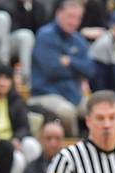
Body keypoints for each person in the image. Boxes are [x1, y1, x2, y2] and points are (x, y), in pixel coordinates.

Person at [29, 0, 95, 136]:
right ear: (58, 13)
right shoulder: (45, 35)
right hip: (46, 93)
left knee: (97, 109)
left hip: (73, 95)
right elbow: (52, 70)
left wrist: (69, 61)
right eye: (70, 16)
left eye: (78, 18)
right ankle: (75, 147)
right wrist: (77, 69)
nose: (74, 22)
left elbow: (90, 70)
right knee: (67, 112)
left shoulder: (78, 39)